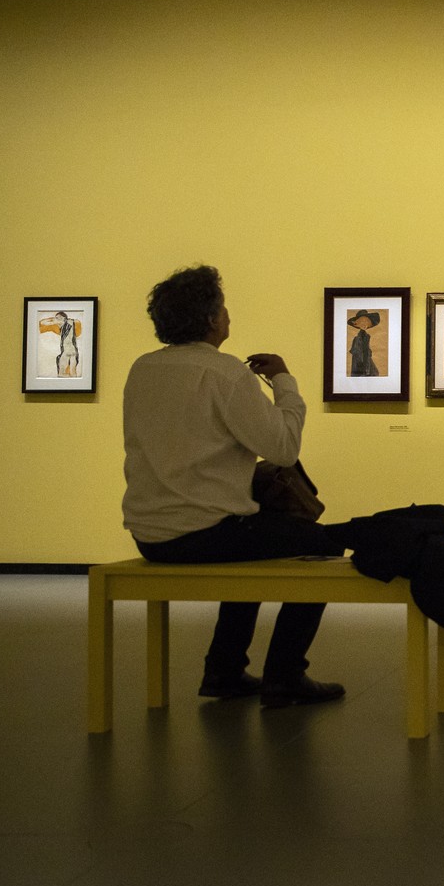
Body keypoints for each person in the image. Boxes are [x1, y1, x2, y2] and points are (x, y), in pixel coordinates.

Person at [122, 264, 346, 708]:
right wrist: (283, 381)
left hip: (152, 536)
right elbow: (281, 447)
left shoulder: (142, 369)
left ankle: (225, 670)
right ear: (209, 319)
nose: (228, 317)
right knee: (322, 547)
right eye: (223, 309)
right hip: (204, 534)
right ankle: (285, 674)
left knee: (251, 532)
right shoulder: (225, 374)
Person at [348, 310, 381, 377]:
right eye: (362, 322)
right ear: (357, 324)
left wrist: (368, 353)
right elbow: (356, 354)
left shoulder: (367, 336)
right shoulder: (357, 338)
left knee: (375, 373)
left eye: (366, 322)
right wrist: (363, 367)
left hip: (366, 362)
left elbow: (367, 351)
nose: (364, 324)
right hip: (360, 365)